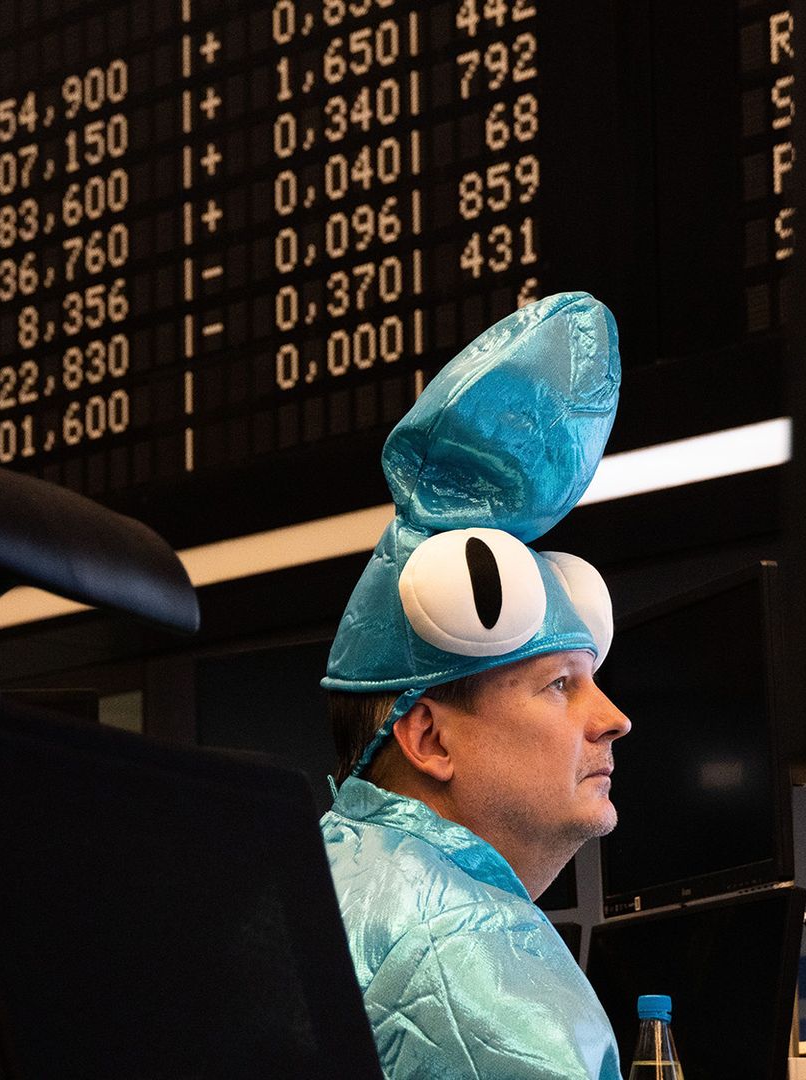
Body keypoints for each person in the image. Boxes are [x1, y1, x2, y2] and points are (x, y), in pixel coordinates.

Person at [319, 292, 628, 1079]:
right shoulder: (468, 958)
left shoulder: (325, 879)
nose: (614, 719)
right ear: (428, 737)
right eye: (560, 685)